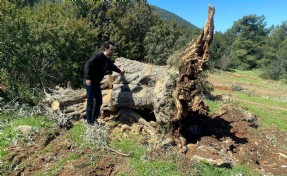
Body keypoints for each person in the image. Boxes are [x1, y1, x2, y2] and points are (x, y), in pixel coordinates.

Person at [84, 41, 124, 126]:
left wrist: (120, 71)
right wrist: (87, 78)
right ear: (106, 49)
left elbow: (113, 67)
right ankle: (89, 122)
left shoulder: (107, 60)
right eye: (111, 49)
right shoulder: (98, 56)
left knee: (99, 101)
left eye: (113, 50)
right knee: (90, 102)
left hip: (96, 83)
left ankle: (94, 119)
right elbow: (88, 64)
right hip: (89, 81)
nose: (113, 51)